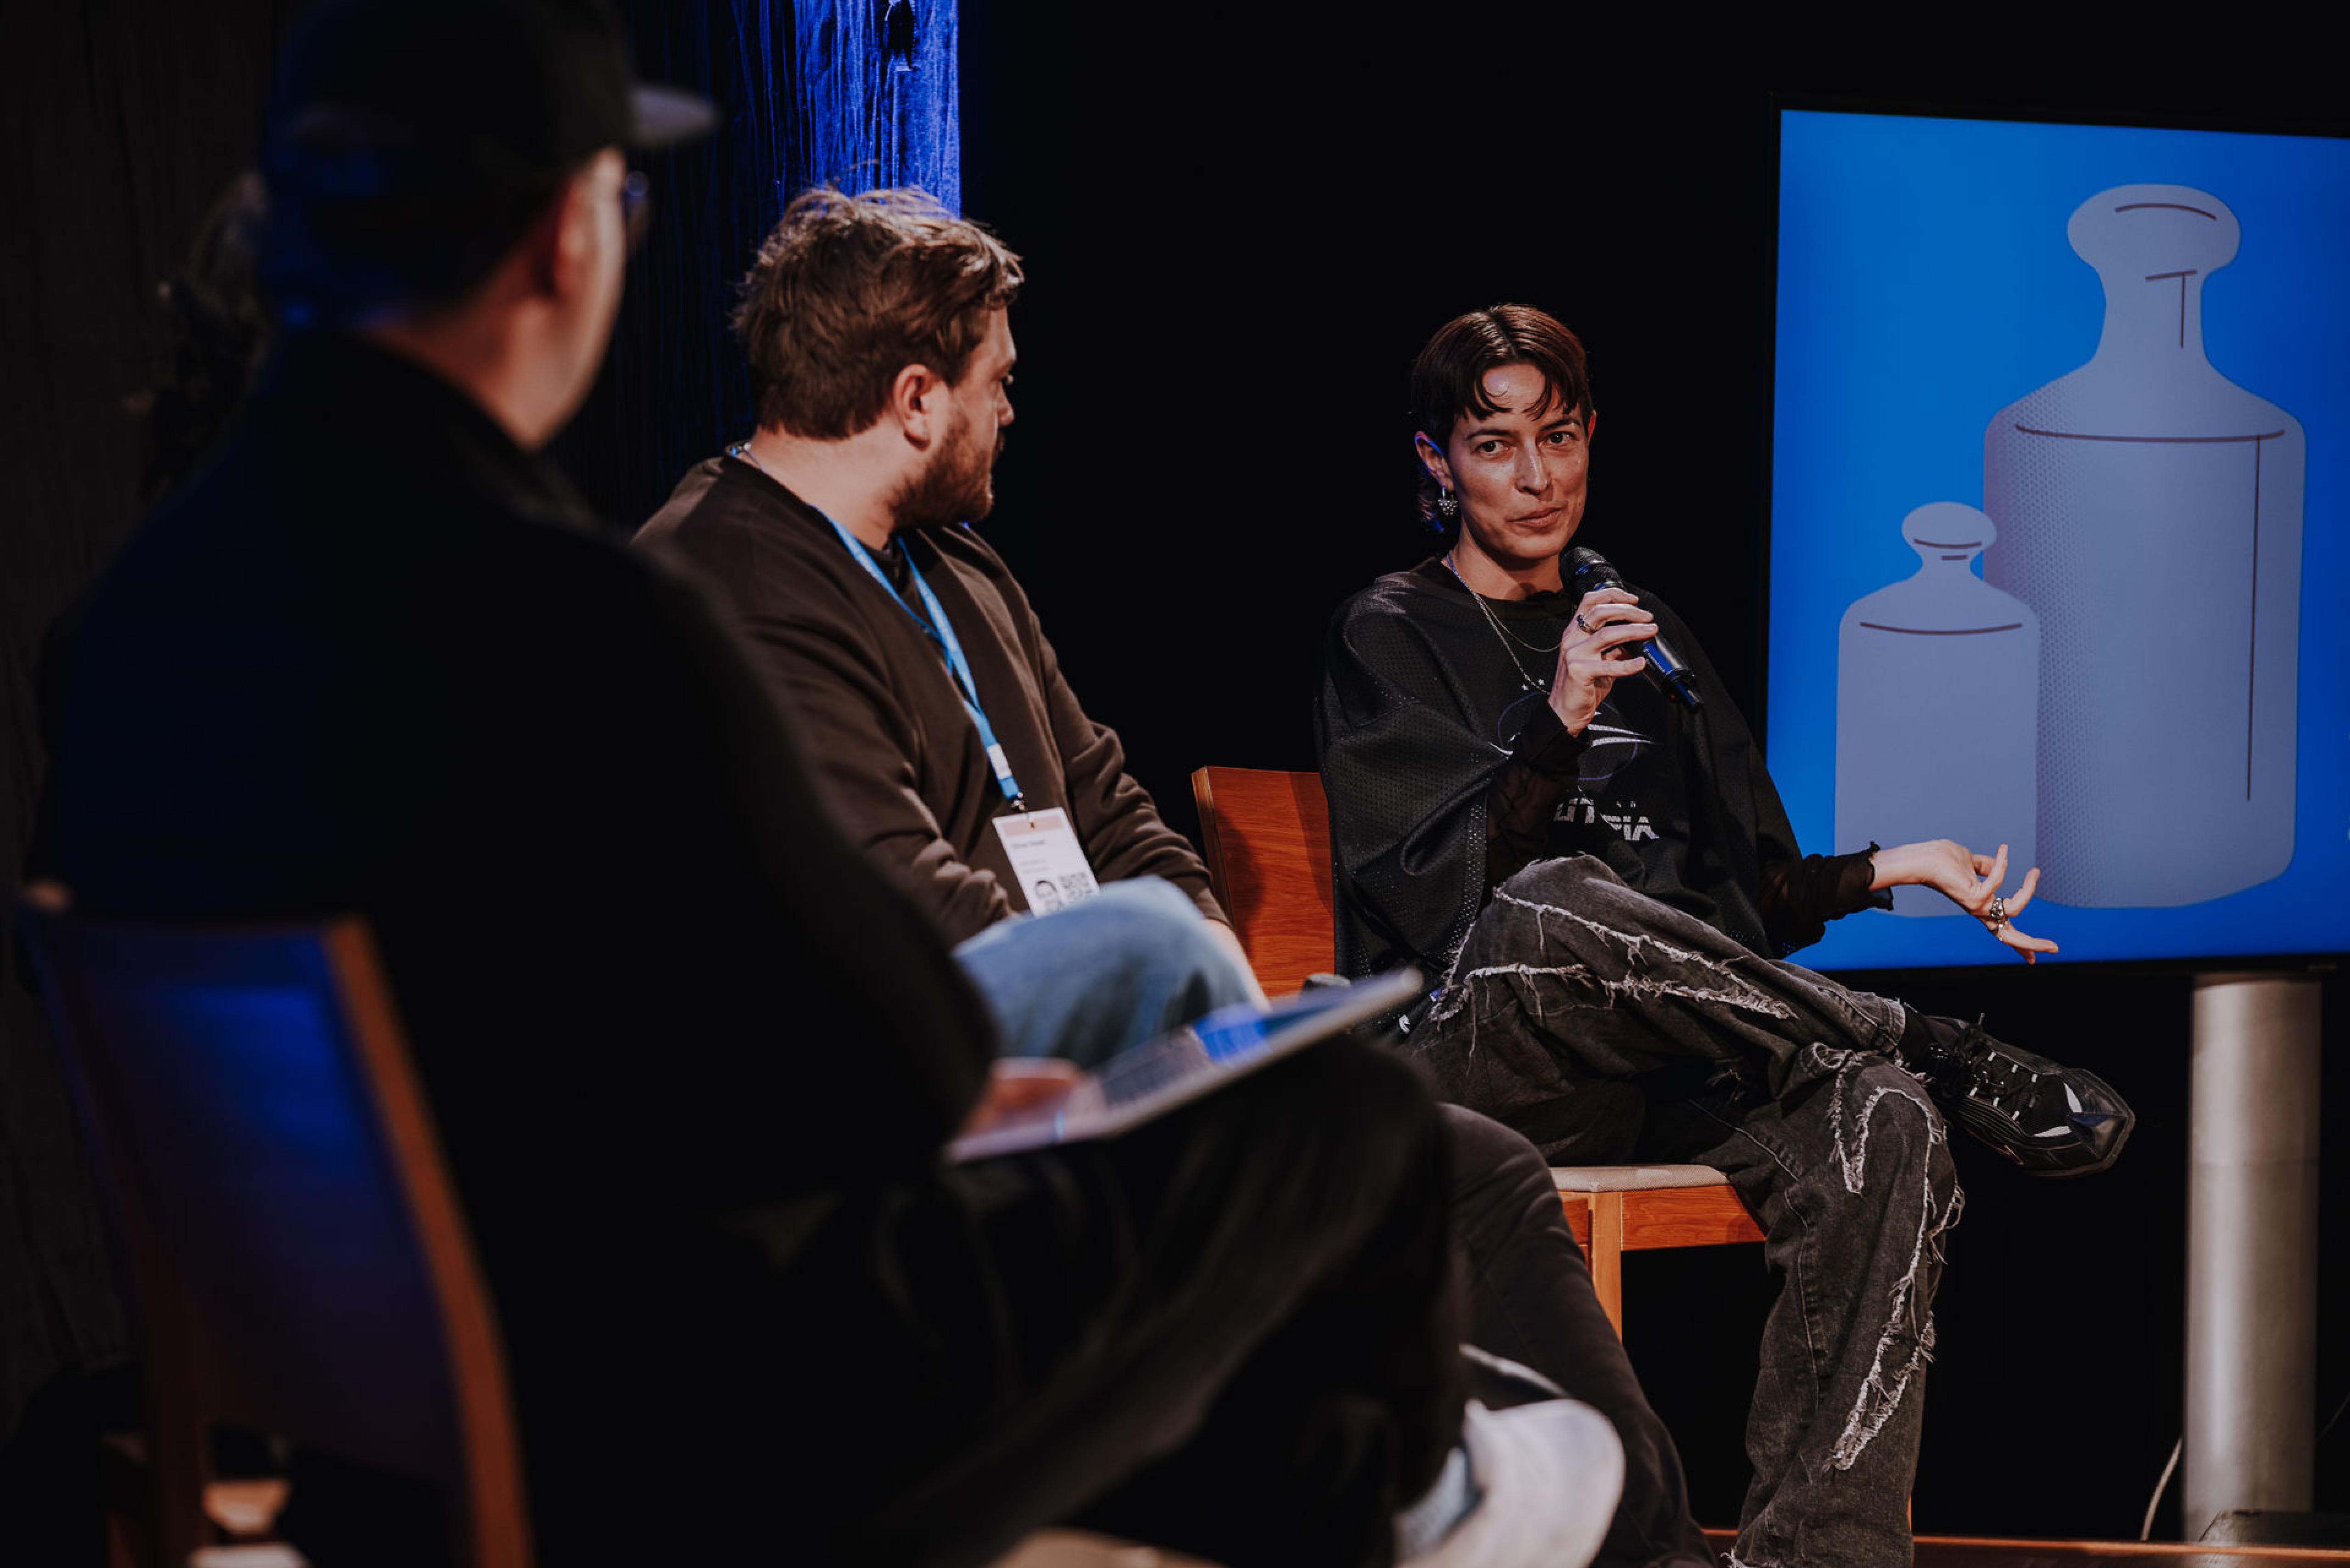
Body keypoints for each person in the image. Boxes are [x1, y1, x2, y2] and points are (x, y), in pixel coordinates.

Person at [39, 5, 1636, 1561]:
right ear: (564, 240)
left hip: (372, 1419)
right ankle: (1433, 1491)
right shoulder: (589, 613)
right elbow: (906, 1052)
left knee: (1228, 1278)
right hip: (679, 1422)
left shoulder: (121, 631)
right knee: (1341, 1126)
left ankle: (1393, 1484)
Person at [636, 190, 1715, 1568]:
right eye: (997, 383)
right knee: (1335, 1111)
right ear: (916, 398)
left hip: (1099, 1069)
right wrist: (1188, 1021)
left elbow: (1118, 807)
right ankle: (1432, 1488)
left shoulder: (960, 564)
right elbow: (910, 925)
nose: (1011, 412)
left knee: (1477, 1167)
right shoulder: (731, 580)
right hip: (953, 1123)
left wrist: (1208, 973)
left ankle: (1648, 1547)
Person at [1315, 304, 2138, 1568]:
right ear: (1437, 462)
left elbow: (1738, 913)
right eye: (1494, 445)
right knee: (1558, 902)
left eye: (1560, 436)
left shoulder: (1651, 628)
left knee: (1886, 1121)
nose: (1538, 477)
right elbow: (1443, 905)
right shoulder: (1390, 631)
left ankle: (1820, 1555)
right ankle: (1936, 1040)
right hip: (1478, 1062)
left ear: (1593, 436)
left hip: (1658, 1073)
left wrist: (1889, 868)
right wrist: (1560, 714)